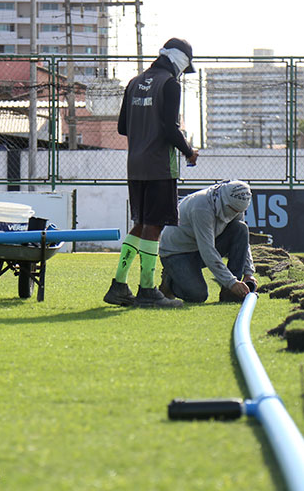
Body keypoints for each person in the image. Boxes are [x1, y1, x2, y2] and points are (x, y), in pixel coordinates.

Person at [104, 37, 200, 308]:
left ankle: (119, 285)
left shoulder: (134, 83)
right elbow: (170, 129)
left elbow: (123, 127)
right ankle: (147, 289)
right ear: (180, 61)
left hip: (135, 166)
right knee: (154, 225)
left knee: (140, 223)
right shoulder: (170, 84)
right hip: (159, 166)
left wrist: (143, 126)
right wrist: (189, 151)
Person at [158, 180, 258, 303]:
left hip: (199, 248)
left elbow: (242, 240)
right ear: (225, 201)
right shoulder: (202, 207)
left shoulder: (236, 203)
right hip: (177, 253)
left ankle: (230, 294)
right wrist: (231, 282)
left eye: (238, 212)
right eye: (232, 210)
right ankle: (170, 282)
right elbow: (208, 251)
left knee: (241, 228)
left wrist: (248, 273)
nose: (234, 214)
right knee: (197, 295)